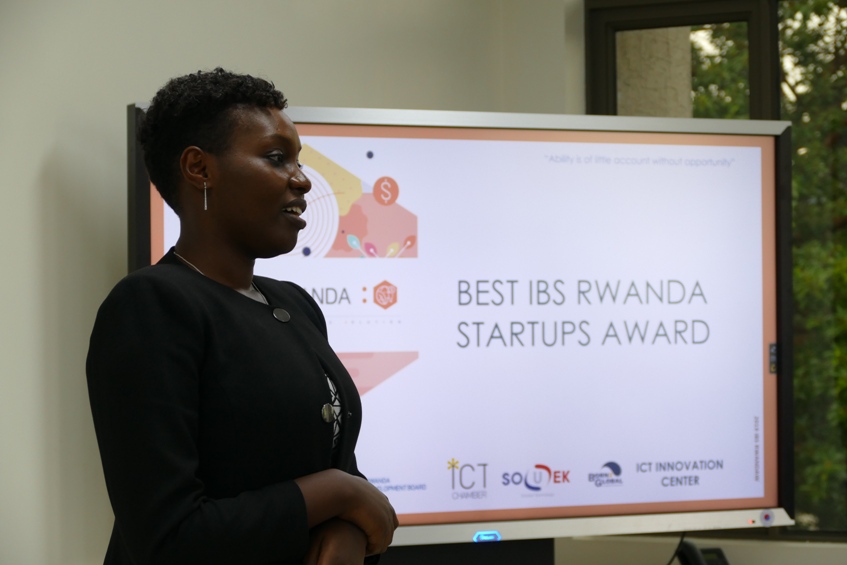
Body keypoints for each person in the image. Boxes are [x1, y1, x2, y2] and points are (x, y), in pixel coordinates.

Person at [86, 68, 397, 565]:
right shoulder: (151, 305)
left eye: (299, 160)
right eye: (276, 158)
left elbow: (336, 465)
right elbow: (168, 538)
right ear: (199, 168)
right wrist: (339, 493)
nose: (302, 179)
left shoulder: (296, 305)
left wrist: (349, 528)